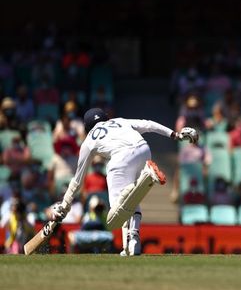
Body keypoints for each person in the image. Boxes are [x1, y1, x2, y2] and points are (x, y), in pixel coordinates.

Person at [50, 108, 199, 256]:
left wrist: (64, 206)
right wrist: (175, 134)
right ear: (106, 119)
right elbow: (148, 124)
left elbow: (77, 180)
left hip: (121, 158)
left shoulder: (89, 140)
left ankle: (146, 178)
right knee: (130, 202)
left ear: (87, 128)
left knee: (114, 218)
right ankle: (131, 243)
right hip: (144, 149)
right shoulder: (119, 121)